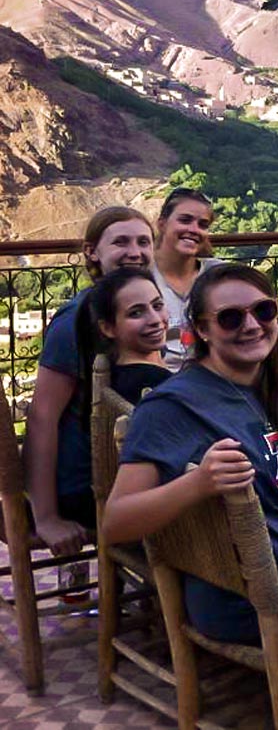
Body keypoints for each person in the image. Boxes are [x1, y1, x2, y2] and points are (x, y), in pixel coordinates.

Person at [102, 263, 278, 647]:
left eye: (263, 310)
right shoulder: (173, 407)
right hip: (249, 599)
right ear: (202, 330)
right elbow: (115, 523)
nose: (251, 325)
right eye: (230, 318)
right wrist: (198, 483)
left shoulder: (261, 386)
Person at [23, 205, 155, 555]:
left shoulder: (134, 311)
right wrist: (47, 518)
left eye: (144, 241)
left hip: (122, 473)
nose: (135, 251)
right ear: (92, 251)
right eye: (121, 242)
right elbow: (41, 419)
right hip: (89, 488)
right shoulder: (76, 321)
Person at [151, 187, 221, 371]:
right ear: (162, 224)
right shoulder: (141, 277)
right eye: (185, 220)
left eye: (203, 225)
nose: (194, 230)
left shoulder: (218, 274)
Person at [88, 266, 172, 404]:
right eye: (136, 313)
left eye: (157, 306)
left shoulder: (120, 372)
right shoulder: (154, 383)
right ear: (108, 328)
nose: (156, 319)